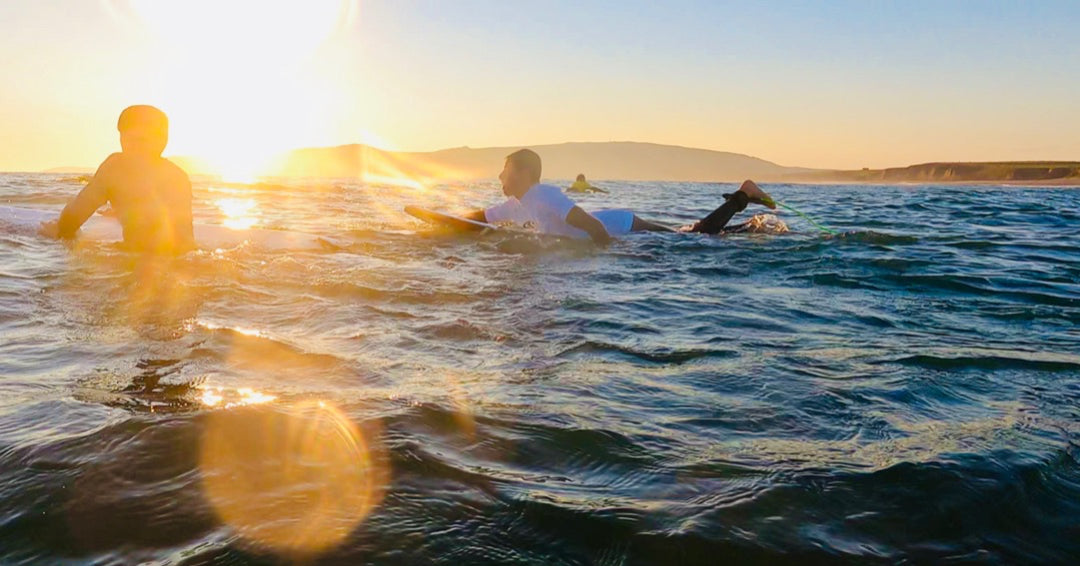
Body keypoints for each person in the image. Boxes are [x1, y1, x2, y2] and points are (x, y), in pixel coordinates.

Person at [464, 149, 776, 245]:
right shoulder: (516, 204)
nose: (500, 177)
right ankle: (750, 227)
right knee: (691, 234)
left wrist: (614, 253)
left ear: (524, 174)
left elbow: (593, 227)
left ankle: (742, 195)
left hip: (623, 226)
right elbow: (482, 216)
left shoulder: (545, 196)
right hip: (619, 224)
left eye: (505, 170)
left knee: (696, 239)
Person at [38, 105, 195, 254]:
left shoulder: (116, 168)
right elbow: (174, 229)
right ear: (164, 141)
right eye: (133, 141)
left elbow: (74, 216)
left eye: (141, 141)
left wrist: (59, 228)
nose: (137, 147)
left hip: (134, 257)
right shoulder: (178, 176)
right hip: (182, 259)